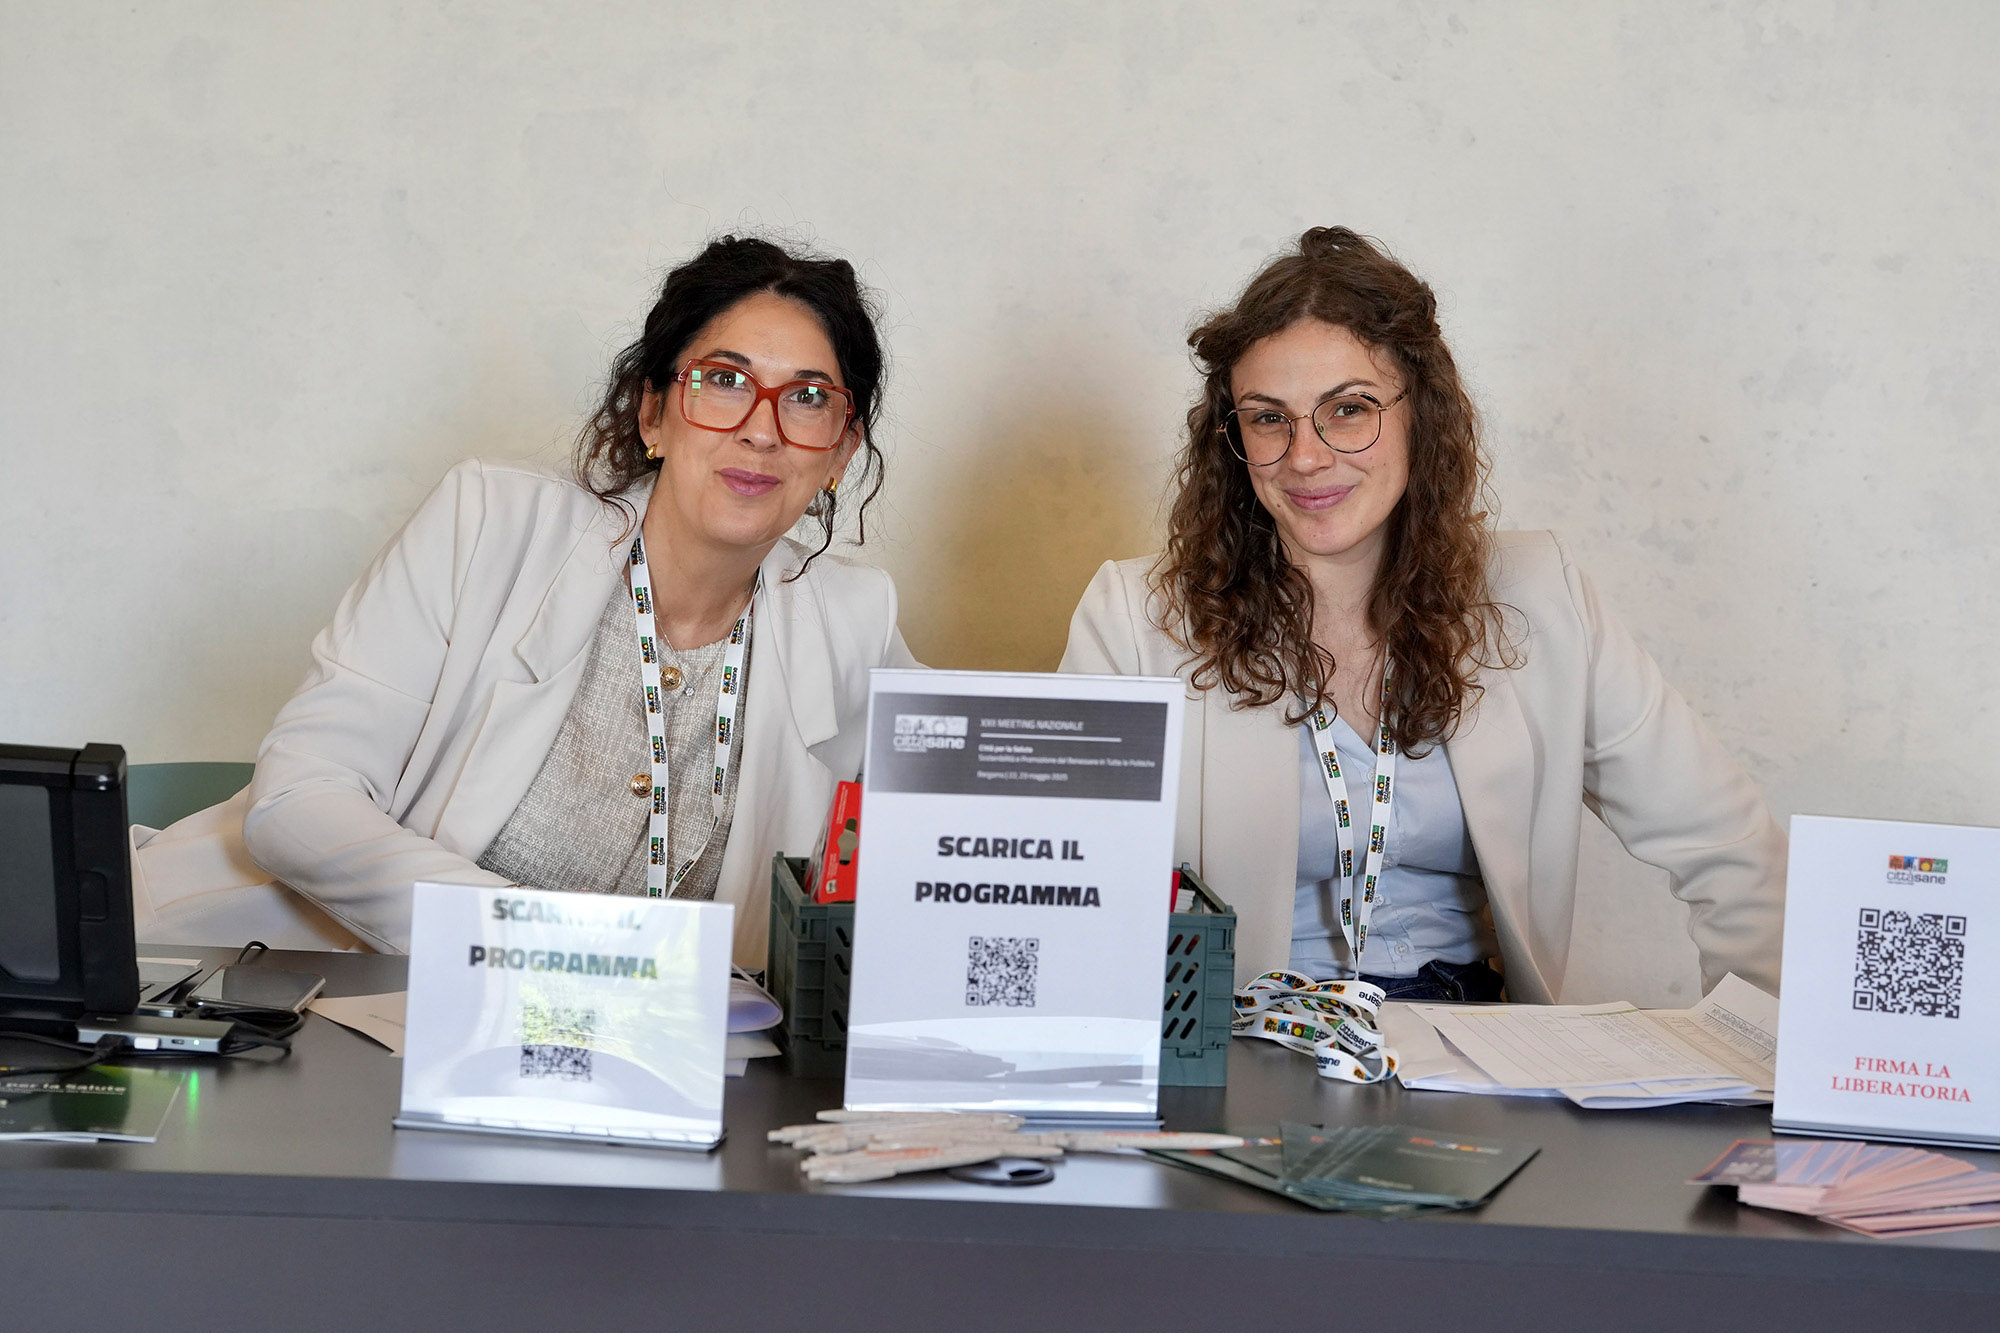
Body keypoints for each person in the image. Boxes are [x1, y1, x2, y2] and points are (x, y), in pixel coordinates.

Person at [134, 236, 914, 969]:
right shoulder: (488, 523)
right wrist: (541, 945)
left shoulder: (853, 621)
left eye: (807, 397)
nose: (761, 431)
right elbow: (297, 800)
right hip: (263, 988)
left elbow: (961, 820)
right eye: (725, 381)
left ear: (841, 450)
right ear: (652, 412)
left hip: (615, 1045)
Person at [1059, 227, 1783, 1003]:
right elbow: (1061, 890)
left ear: (1421, 415)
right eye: (1268, 418)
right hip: (1246, 1037)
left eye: (1349, 409)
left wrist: (1762, 1047)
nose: (1305, 455)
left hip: (1477, 1038)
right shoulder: (1132, 619)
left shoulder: (1544, 595)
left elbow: (1732, 850)